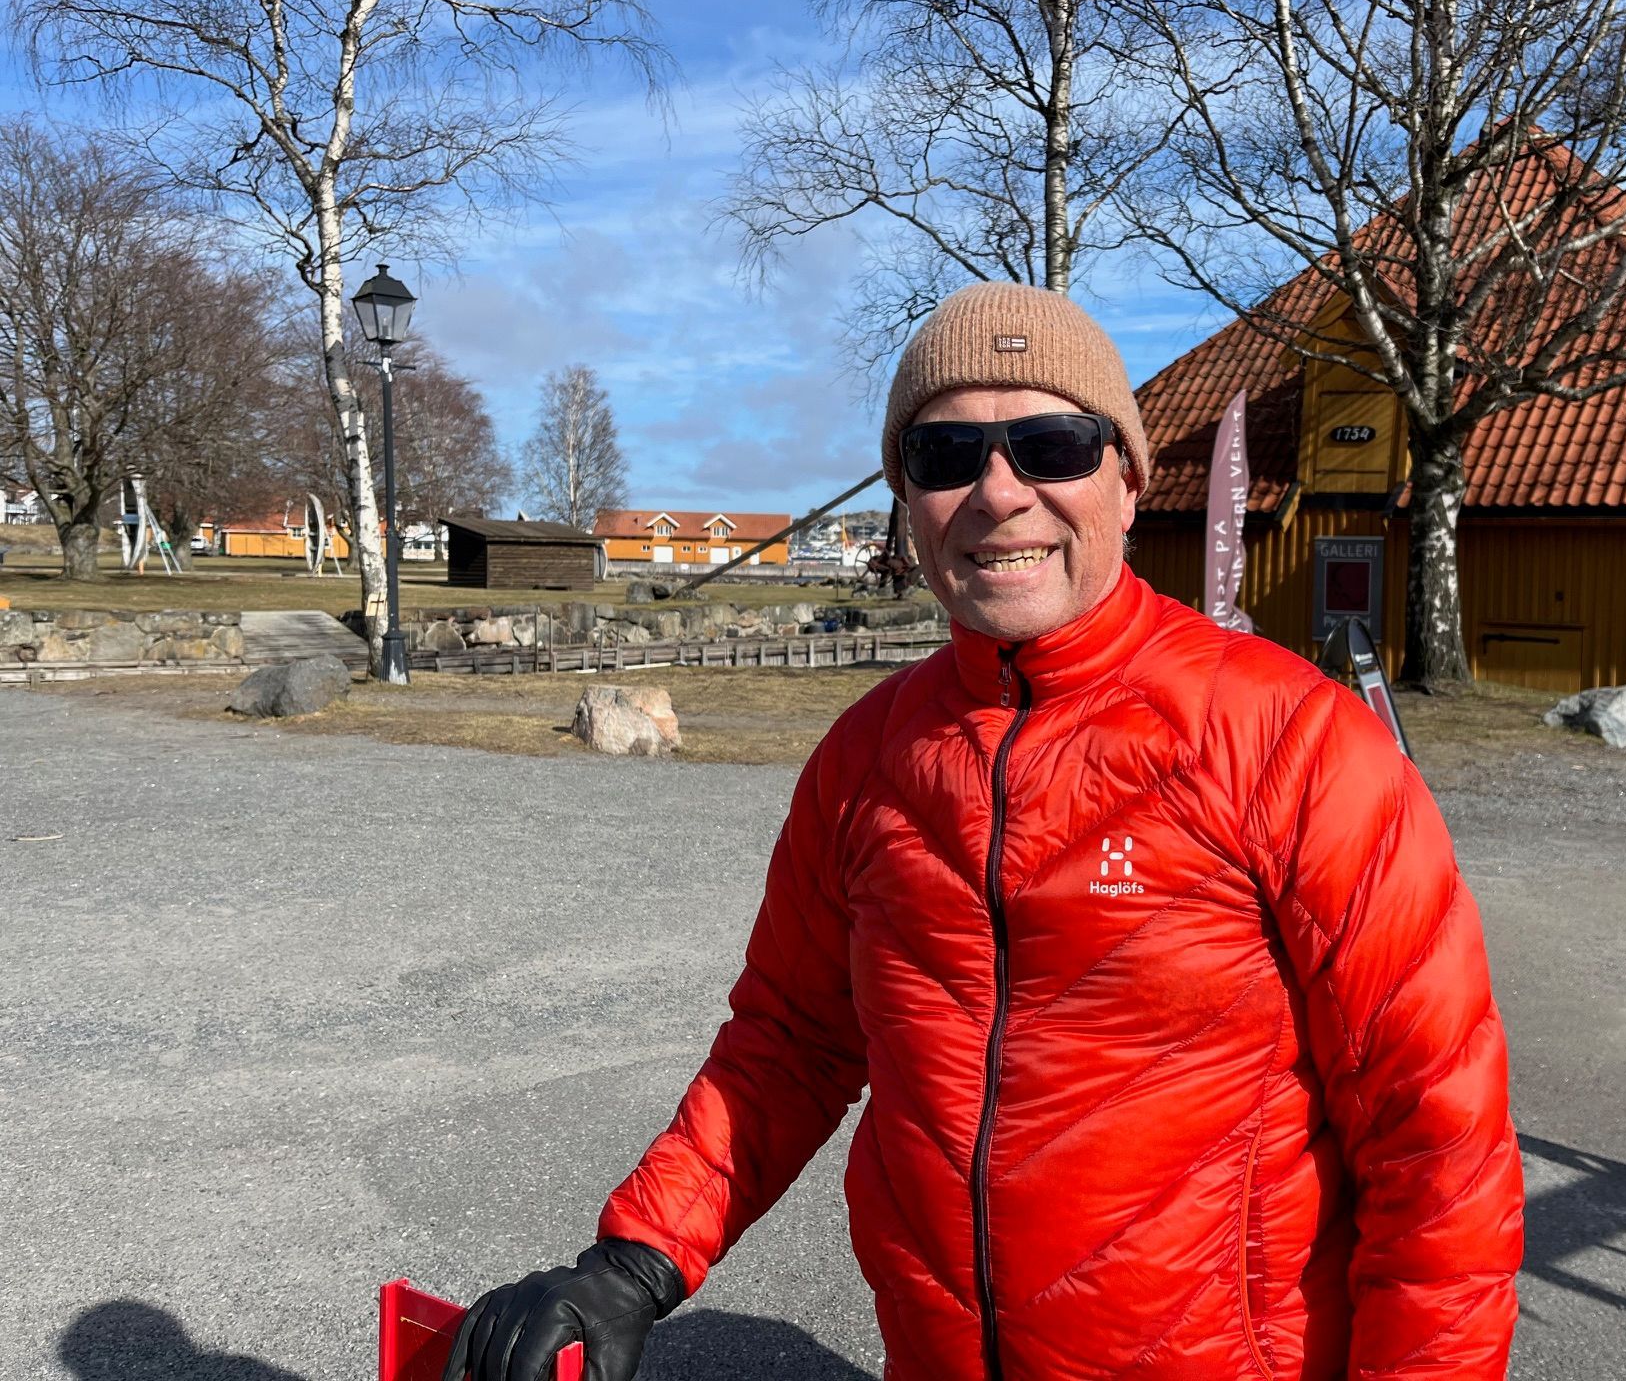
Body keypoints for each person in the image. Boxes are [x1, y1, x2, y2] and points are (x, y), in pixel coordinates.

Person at [446, 283, 1523, 1381]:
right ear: (908, 498)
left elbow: (1437, 1138)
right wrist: (632, 1263)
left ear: (1129, 479)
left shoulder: (1296, 741)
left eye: (1053, 445)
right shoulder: (866, 759)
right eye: (947, 454)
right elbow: (791, 1042)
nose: (999, 493)